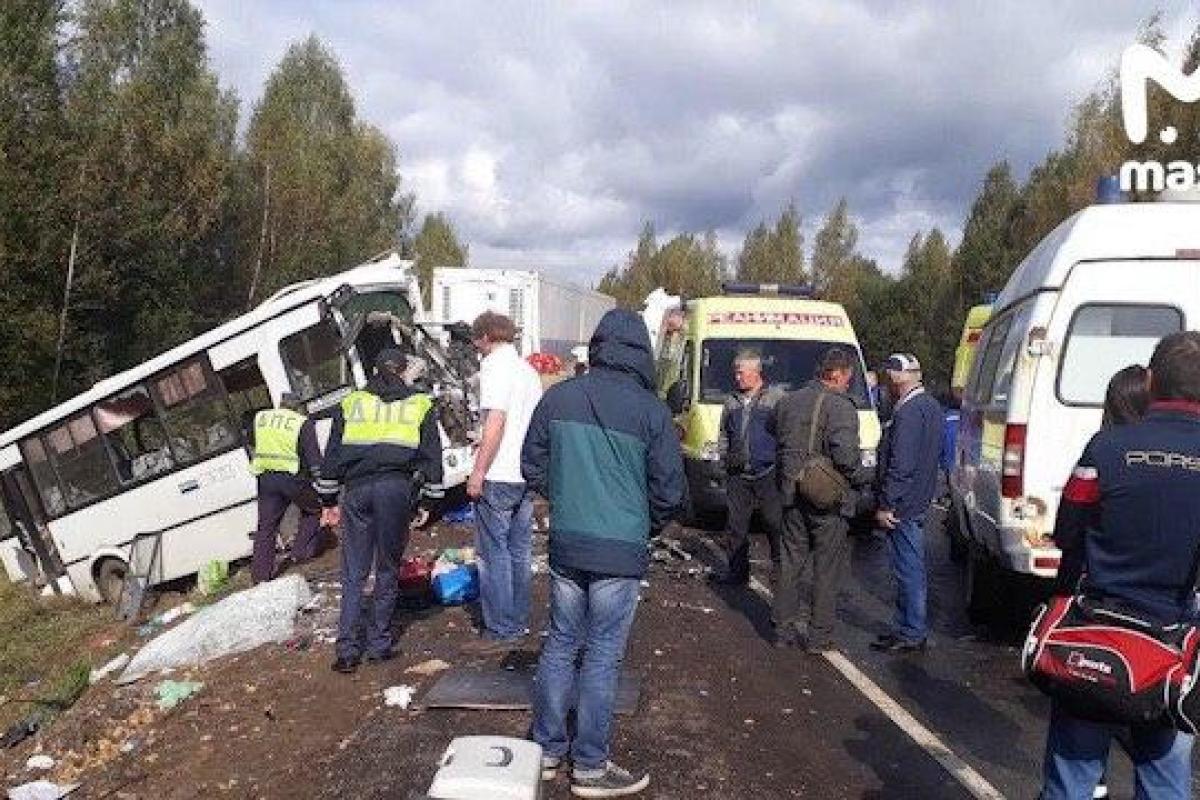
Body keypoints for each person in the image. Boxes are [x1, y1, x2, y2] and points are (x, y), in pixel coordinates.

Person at [523, 309, 685, 797]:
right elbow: (669, 488)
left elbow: (533, 465)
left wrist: (565, 498)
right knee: (602, 653)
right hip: (621, 547)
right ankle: (590, 765)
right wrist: (646, 526)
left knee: (561, 643)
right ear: (641, 354)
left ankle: (548, 751)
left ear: (596, 348)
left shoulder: (560, 397)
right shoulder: (651, 411)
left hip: (568, 542)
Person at [1041, 334, 1200, 799]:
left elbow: (1067, 531)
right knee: (1166, 778)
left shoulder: (1107, 448)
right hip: (1173, 647)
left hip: (1097, 636)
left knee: (1072, 777)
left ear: (1151, 381)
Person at [315, 349, 443, 674]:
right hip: (395, 491)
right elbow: (431, 457)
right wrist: (428, 501)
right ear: (404, 371)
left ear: (373, 370)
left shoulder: (351, 403)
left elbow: (332, 454)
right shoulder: (420, 404)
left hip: (356, 491)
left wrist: (328, 501)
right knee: (387, 568)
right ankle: (378, 646)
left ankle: (346, 652)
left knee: (354, 573)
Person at [771, 346, 868, 653]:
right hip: (827, 499)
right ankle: (818, 635)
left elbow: (770, 428)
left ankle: (782, 630)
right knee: (826, 569)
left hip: (790, 493)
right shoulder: (841, 407)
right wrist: (865, 476)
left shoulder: (788, 401)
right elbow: (845, 457)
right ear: (838, 375)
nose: (849, 382)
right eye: (848, 377)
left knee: (789, 563)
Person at [466, 311, 544, 651]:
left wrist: (478, 469)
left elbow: (496, 419)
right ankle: (517, 620)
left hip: (498, 472)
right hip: (523, 472)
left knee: (493, 553)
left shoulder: (494, 367)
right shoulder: (528, 371)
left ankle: (500, 630)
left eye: (475, 340)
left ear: (484, 337)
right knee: (518, 552)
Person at [871, 353, 943, 654]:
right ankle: (905, 626)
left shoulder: (909, 412)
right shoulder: (932, 407)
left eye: (892, 374)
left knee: (907, 568)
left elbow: (902, 462)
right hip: (920, 496)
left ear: (901, 377)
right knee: (909, 566)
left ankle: (911, 630)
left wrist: (887, 503)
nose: (889, 380)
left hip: (904, 504)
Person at [712, 350, 784, 588]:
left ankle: (781, 570)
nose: (737, 377)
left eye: (741, 372)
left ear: (756, 372)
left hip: (768, 472)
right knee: (735, 527)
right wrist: (724, 459)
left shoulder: (776, 399)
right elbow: (723, 434)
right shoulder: (731, 401)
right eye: (735, 372)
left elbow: (786, 435)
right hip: (738, 474)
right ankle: (736, 573)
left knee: (774, 523)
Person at [248, 392, 324, 584]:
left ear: (280, 404)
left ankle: (260, 577)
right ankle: (299, 553)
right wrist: (321, 481)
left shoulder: (261, 418)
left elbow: (253, 442)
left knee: (266, 527)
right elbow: (314, 458)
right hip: (292, 478)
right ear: (297, 407)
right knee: (313, 509)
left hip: (265, 478)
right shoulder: (302, 423)